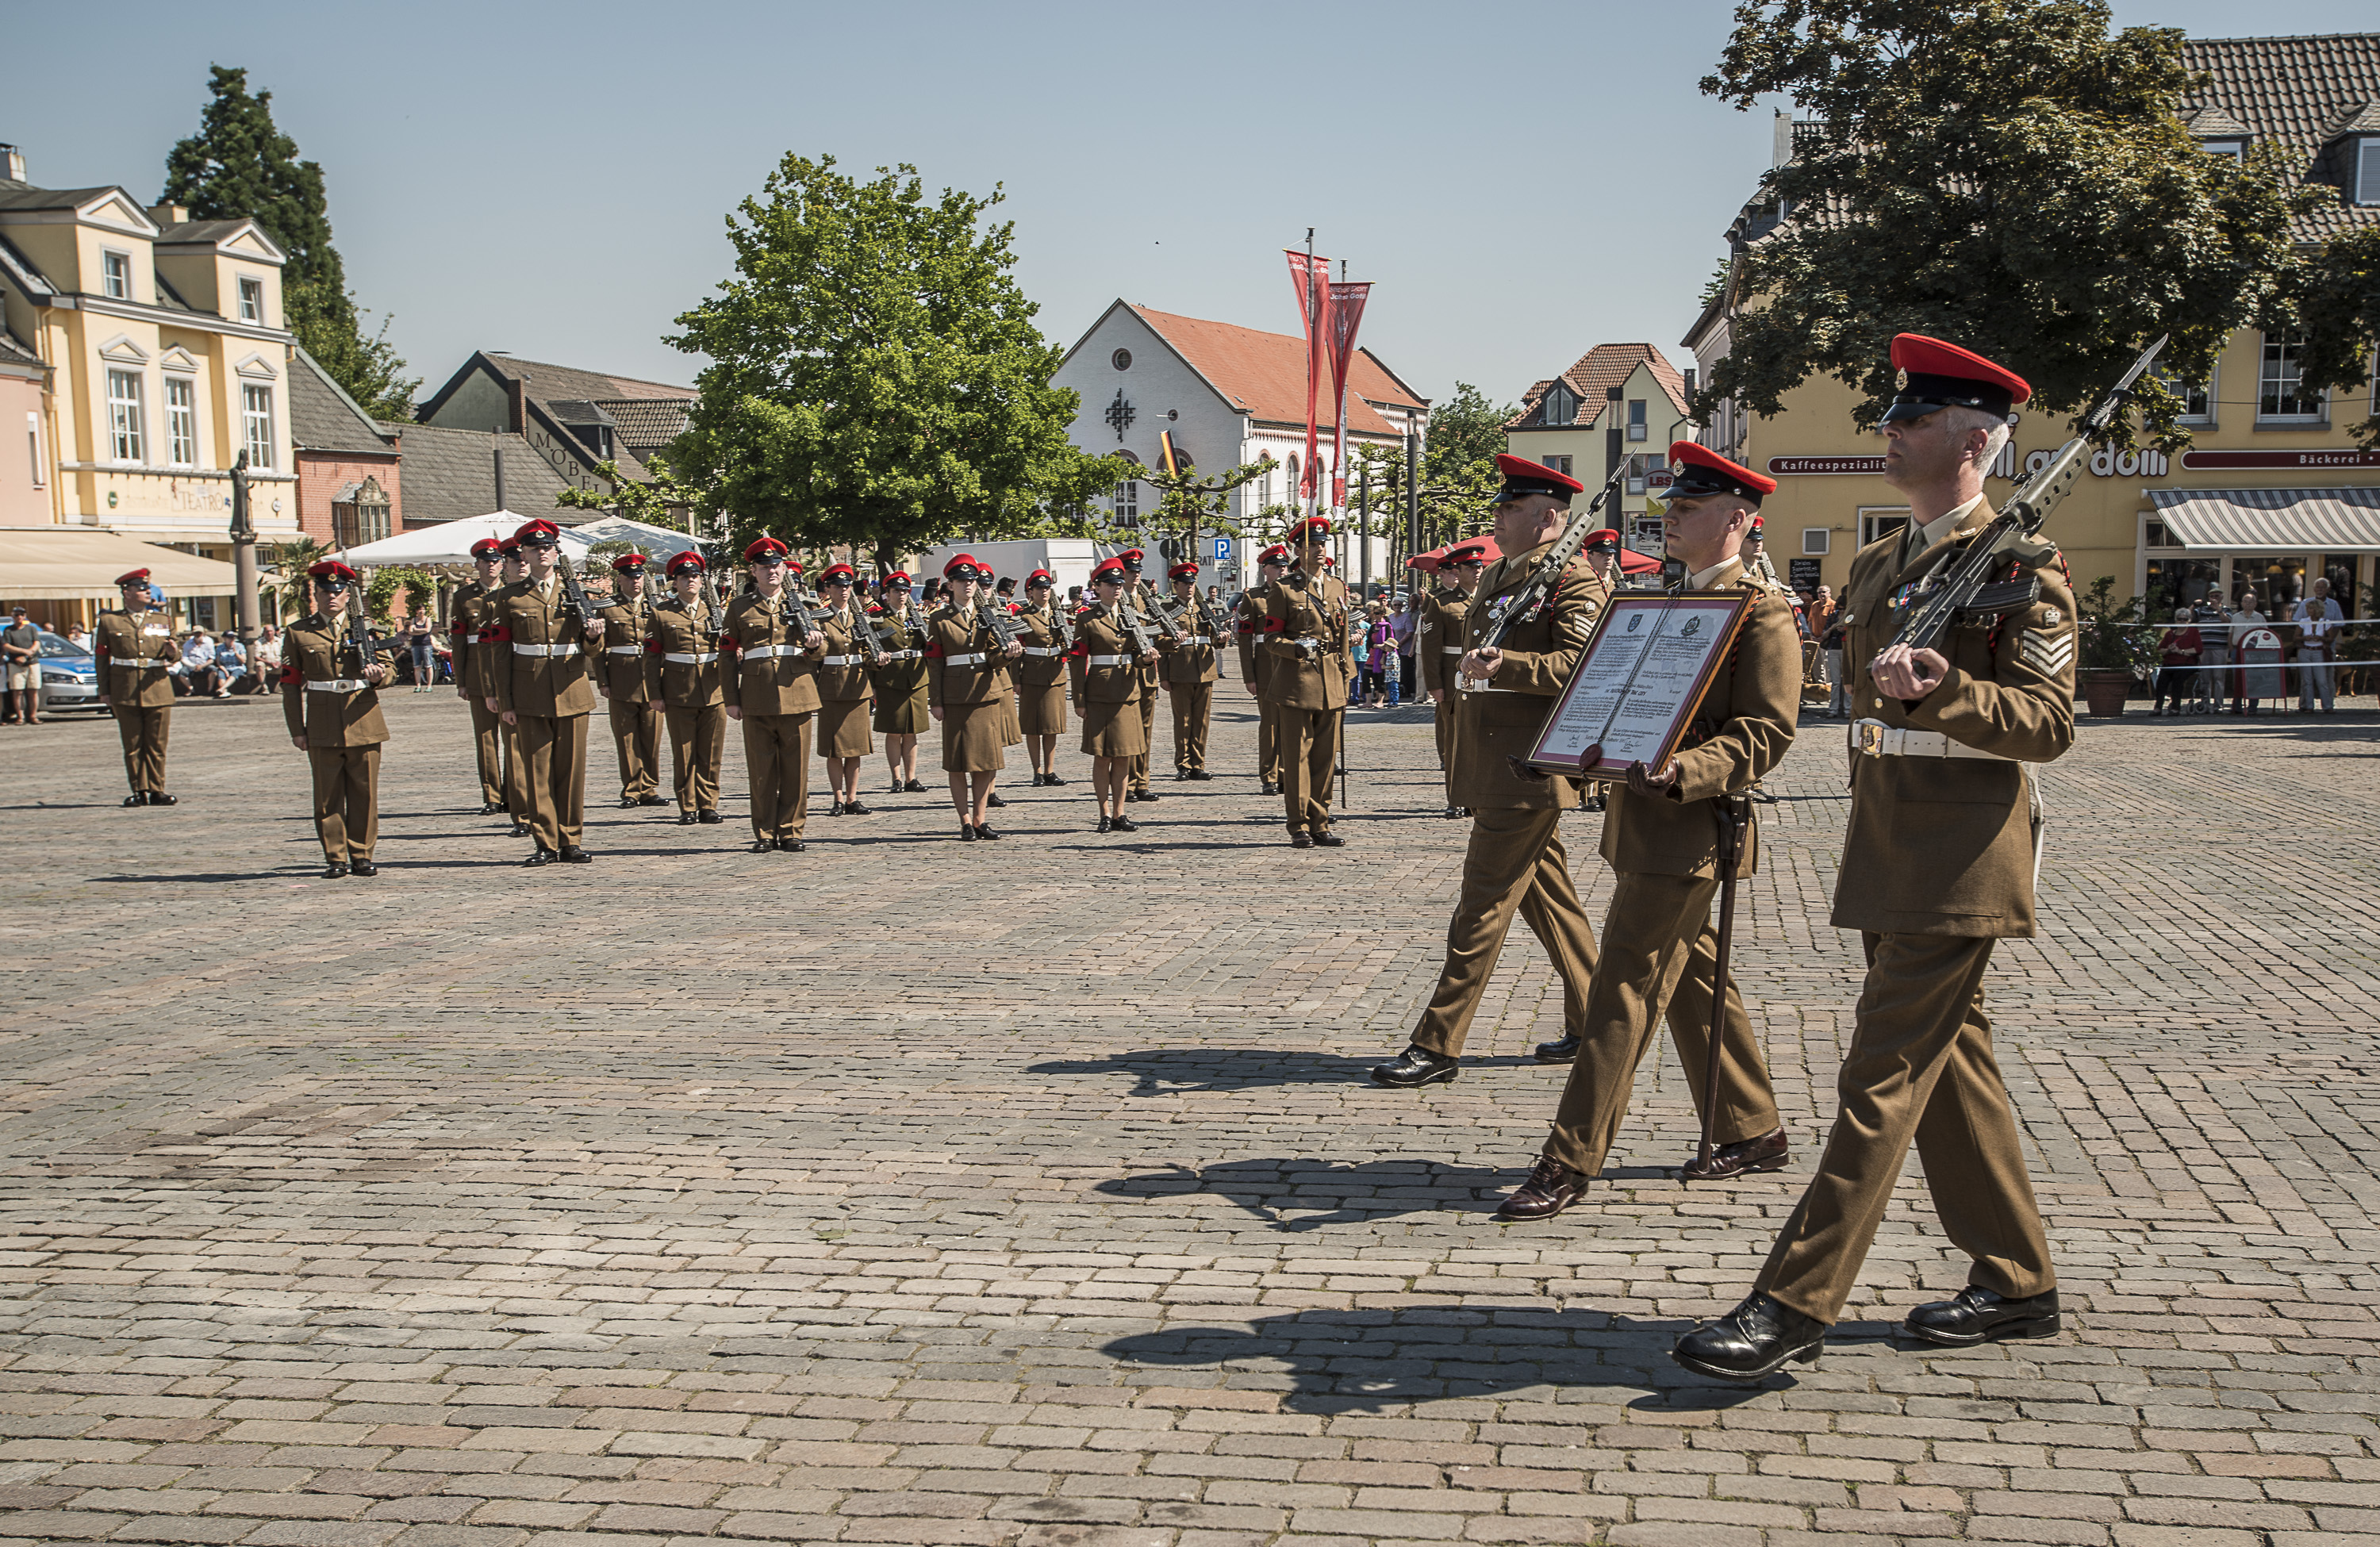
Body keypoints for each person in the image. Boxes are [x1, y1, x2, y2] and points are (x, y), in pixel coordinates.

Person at [1674, 333, 2075, 1381]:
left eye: (1917, 416)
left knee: (1882, 1075)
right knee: (1952, 1071)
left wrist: (1943, 689)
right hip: (1891, 838)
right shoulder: (1883, 561)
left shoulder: (2022, 564)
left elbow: (2046, 720)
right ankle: (2018, 1278)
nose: (1890, 430)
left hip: (1963, 854)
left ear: (1978, 438)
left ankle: (1794, 1299)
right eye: (1894, 414)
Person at [1494, 442, 1799, 1219]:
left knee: (1621, 990)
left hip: (1691, 831)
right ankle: (1751, 1125)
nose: (1671, 518)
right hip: (1643, 824)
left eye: (1689, 508)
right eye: (1670, 505)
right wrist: (1563, 751)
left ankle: (1569, 1158)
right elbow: (1617, 703)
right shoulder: (1659, 602)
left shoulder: (1758, 611)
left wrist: (1685, 771)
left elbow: (1766, 731)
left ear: (1737, 519)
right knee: (1694, 980)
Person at [1371, 456, 1606, 1087]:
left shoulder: (1574, 582)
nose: (1497, 518)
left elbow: (1580, 669)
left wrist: (1507, 666)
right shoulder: (1504, 573)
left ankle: (1438, 1041)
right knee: (1550, 902)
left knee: (1480, 907)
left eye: (1511, 508)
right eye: (1500, 507)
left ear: (1549, 517)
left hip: (1528, 769)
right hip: (1494, 763)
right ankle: (1598, 1021)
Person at [487, 518, 605, 866]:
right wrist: (505, 701)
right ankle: (546, 842)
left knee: (571, 771)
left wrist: (596, 636)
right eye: (535, 548)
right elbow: (499, 654)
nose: (542, 552)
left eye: (548, 547)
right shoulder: (508, 598)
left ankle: (571, 839)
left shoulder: (576, 593)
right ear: (523, 553)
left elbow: (592, 650)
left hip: (571, 690)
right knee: (537, 772)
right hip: (529, 693)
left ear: (556, 552)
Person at [282, 560, 397, 877]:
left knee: (365, 793)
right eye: (324, 591)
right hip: (322, 722)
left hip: (363, 717)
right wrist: (297, 729)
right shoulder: (298, 632)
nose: (331, 597)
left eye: (338, 592)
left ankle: (361, 853)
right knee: (328, 795)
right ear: (315, 595)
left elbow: (390, 671)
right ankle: (335, 857)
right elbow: (290, 686)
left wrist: (378, 676)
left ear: (348, 595)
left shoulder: (368, 627)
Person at [723, 536, 825, 854]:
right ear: (753, 571)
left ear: (784, 569)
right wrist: (731, 698)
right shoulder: (739, 607)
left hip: (797, 693)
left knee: (795, 770)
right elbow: (726, 654)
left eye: (776, 566)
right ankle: (765, 832)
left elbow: (822, 650)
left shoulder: (804, 606)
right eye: (764, 567)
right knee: (761, 770)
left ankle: (792, 830)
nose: (772, 571)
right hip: (756, 695)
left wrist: (814, 645)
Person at [1261, 516, 1354, 847]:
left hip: (1331, 680)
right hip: (1297, 682)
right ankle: (1298, 823)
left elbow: (1342, 636)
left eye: (1322, 544)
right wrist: (1295, 648)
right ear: (1298, 549)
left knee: (1326, 758)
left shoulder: (1337, 587)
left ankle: (1321, 821)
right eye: (1312, 544)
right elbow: (1270, 639)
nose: (1319, 549)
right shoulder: (1284, 589)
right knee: (1297, 756)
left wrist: (1347, 674)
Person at [926, 554, 1023, 839]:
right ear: (951, 584)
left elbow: (993, 657)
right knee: (958, 763)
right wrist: (936, 701)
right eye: (962, 581)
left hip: (985, 694)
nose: (968, 586)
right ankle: (965, 820)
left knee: (986, 761)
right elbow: (934, 663)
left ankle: (981, 818)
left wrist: (1006, 656)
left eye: (972, 581)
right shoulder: (939, 619)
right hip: (955, 697)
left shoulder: (988, 615)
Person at [1069, 559, 1157, 831]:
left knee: (1124, 756)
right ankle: (1104, 813)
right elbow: (1077, 661)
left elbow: (1137, 655)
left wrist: (1147, 659)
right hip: (1099, 694)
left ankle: (1120, 813)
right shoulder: (1086, 619)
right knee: (1102, 757)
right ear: (1097, 587)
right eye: (1110, 584)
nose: (1117, 588)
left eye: (1120, 583)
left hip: (1128, 692)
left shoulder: (1131, 615)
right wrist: (1079, 700)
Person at [646, 548, 726, 825]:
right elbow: (651, 657)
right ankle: (688, 805)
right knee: (684, 752)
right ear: (674, 582)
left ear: (702, 581)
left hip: (713, 689)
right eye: (684, 576)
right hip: (678, 690)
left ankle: (708, 804)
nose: (690, 580)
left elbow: (727, 651)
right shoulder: (661, 614)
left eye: (695, 576)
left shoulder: (716, 612)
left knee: (711, 753)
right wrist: (654, 694)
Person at [93, 570, 179, 804]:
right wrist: (104, 690)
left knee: (157, 744)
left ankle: (157, 789)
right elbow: (101, 657)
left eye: (147, 588)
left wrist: (173, 653)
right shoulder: (110, 621)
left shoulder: (162, 620)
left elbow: (174, 653)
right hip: (125, 687)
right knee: (132, 744)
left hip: (157, 686)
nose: (147, 592)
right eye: (141, 589)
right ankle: (139, 790)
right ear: (127, 593)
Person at [594, 552, 667, 809]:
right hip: (621, 677)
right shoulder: (607, 607)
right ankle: (632, 789)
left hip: (652, 679)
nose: (635, 582)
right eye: (630, 577)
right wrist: (602, 680)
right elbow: (599, 649)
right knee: (626, 738)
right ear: (620, 579)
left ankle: (649, 787)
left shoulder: (657, 606)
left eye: (639, 577)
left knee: (651, 736)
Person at [1416, 547, 1480, 819]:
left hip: (1484, 679)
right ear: (1457, 572)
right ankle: (1455, 797)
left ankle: (1476, 796)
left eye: (1479, 567)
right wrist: (1434, 684)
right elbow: (1430, 648)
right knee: (1454, 740)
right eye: (1471, 568)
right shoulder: (1441, 602)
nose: (1477, 571)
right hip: (1452, 678)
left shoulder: (1491, 600)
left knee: (1479, 740)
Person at [815, 562, 882, 815]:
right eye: (838, 586)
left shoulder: (860, 618)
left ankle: (853, 798)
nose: (844, 591)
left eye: (847, 586)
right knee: (834, 749)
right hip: (831, 686)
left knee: (855, 748)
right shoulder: (820, 617)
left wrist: (877, 659)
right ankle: (837, 798)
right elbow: (817, 655)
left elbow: (867, 652)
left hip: (857, 687)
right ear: (829, 589)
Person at [869, 571, 931, 793]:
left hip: (915, 678)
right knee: (894, 731)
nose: (902, 595)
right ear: (887, 594)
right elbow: (871, 651)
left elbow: (928, 647)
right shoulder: (878, 619)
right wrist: (873, 682)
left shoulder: (918, 617)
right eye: (897, 591)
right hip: (890, 678)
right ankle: (896, 777)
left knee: (912, 731)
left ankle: (911, 777)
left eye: (905, 591)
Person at [1235, 545, 1291, 794]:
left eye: (1284, 566)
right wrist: (1249, 676)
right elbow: (1245, 639)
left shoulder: (1294, 593)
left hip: (1290, 665)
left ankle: (1287, 774)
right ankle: (1269, 775)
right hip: (1266, 667)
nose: (1281, 570)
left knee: (1290, 724)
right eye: (1276, 566)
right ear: (1265, 568)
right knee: (1269, 724)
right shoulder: (1253, 598)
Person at [1012, 568, 1071, 786]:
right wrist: (1015, 679)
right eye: (1039, 588)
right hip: (1031, 673)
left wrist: (1069, 649)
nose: (1044, 592)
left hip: (1054, 674)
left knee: (1051, 726)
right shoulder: (1023, 615)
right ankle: (1036, 770)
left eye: (1047, 588)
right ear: (1031, 591)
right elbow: (1017, 648)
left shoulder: (1058, 615)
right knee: (1032, 726)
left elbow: (1066, 642)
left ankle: (1050, 770)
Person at [1161, 561, 1219, 779]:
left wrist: (1220, 639)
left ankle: (1198, 763)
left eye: (1192, 583)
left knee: (1201, 721)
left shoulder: (1203, 609)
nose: (1189, 587)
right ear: (1176, 586)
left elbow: (1212, 637)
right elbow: (1163, 645)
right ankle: (1183, 764)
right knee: (1183, 721)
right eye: (1184, 583)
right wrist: (1164, 677)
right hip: (1180, 671)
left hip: (1204, 669)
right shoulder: (1168, 610)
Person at [1117, 548, 1164, 804]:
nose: (1135, 576)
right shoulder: (1114, 602)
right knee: (1128, 733)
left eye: (1138, 572)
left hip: (1147, 675)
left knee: (1145, 731)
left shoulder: (1148, 602)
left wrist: (1173, 641)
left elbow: (1161, 636)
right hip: (1125, 674)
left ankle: (1142, 782)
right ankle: (1128, 783)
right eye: (1131, 571)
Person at [2295, 576, 2342, 713]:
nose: (2320, 590)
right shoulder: (2305, 603)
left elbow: (2338, 625)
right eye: (2317, 587)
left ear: (2328, 589)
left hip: (2323, 650)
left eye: (2323, 588)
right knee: (2306, 680)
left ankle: (2328, 706)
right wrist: (2303, 639)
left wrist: (2327, 640)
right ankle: (2306, 705)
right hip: (2306, 649)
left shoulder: (2333, 606)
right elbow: (2297, 627)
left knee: (2325, 679)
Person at [2155, 607, 2201, 716]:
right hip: (2169, 663)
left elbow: (2198, 649)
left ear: (2189, 620)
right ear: (2176, 620)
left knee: (2178, 680)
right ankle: (2158, 707)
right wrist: (2169, 650)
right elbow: (2159, 650)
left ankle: (2176, 707)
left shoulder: (2193, 632)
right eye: (2179, 619)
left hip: (2186, 663)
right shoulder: (2170, 634)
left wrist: (2181, 651)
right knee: (2161, 681)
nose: (2182, 621)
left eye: (2184, 619)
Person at [2228, 590, 2267, 715]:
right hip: (2237, 650)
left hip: (2253, 652)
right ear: (2241, 603)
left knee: (2253, 679)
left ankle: (2252, 707)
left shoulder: (2260, 618)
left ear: (2255, 604)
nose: (2248, 604)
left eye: (2251, 602)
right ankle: (2237, 707)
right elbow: (2230, 633)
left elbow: (2265, 635)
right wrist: (2231, 649)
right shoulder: (2235, 617)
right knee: (2237, 679)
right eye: (2245, 601)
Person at [2191, 585, 2228, 715]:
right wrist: (2193, 605)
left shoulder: (2226, 610)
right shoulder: (2202, 610)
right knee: (2205, 678)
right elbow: (2187, 616)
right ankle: (2205, 704)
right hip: (2204, 648)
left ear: (2222, 597)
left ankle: (2219, 705)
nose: (2214, 598)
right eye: (2212, 596)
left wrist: (2218, 609)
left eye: (2217, 596)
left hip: (2220, 647)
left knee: (2219, 678)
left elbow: (2227, 621)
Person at [2, 608, 40, 725]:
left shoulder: (31, 629)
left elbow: (36, 643)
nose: (19, 617)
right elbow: (6, 646)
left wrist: (29, 653)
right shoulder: (9, 630)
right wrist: (23, 651)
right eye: (16, 615)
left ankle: (33, 716)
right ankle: (20, 716)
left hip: (32, 663)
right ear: (13, 617)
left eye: (22, 614)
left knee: (33, 690)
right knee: (17, 691)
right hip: (15, 663)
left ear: (25, 616)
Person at [182, 629, 223, 697]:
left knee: (213, 670)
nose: (198, 635)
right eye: (196, 633)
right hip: (191, 665)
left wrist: (202, 666)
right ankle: (191, 690)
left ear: (203, 633)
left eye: (199, 633)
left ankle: (210, 689)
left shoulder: (209, 642)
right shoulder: (187, 644)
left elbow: (212, 659)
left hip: (205, 664)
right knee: (182, 673)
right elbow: (184, 658)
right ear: (193, 634)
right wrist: (192, 666)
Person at [405, 608, 436, 691]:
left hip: (426, 644)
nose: (421, 611)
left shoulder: (427, 619)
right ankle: (418, 685)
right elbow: (410, 631)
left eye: (423, 609)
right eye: (419, 609)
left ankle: (429, 685)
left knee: (428, 665)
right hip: (415, 645)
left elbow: (427, 630)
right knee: (416, 666)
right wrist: (421, 631)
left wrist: (416, 630)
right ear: (416, 611)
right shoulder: (414, 620)